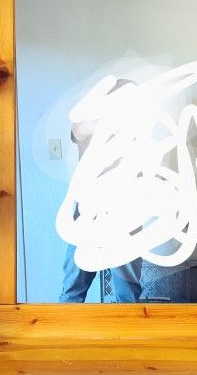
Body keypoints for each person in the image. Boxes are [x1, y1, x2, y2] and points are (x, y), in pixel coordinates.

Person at [58, 78, 142, 303]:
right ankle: (67, 336)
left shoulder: (139, 128)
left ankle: (128, 337)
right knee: (72, 291)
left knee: (128, 296)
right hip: (86, 217)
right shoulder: (89, 123)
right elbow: (78, 130)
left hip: (126, 218)